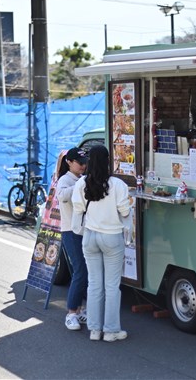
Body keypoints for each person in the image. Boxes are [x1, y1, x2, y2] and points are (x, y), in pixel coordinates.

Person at [71, 145, 131, 342]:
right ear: (107, 161)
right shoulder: (117, 185)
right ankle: (111, 331)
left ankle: (95, 330)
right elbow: (124, 211)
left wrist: (79, 231)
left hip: (90, 237)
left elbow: (77, 211)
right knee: (112, 286)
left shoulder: (81, 184)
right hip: (112, 237)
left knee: (94, 285)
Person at [56, 147, 89, 331]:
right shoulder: (66, 180)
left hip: (85, 230)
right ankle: (71, 313)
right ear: (69, 162)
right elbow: (61, 196)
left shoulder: (80, 179)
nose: (83, 165)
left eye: (85, 162)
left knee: (86, 272)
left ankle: (82, 308)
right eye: (80, 162)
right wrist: (80, 184)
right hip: (70, 231)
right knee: (80, 271)